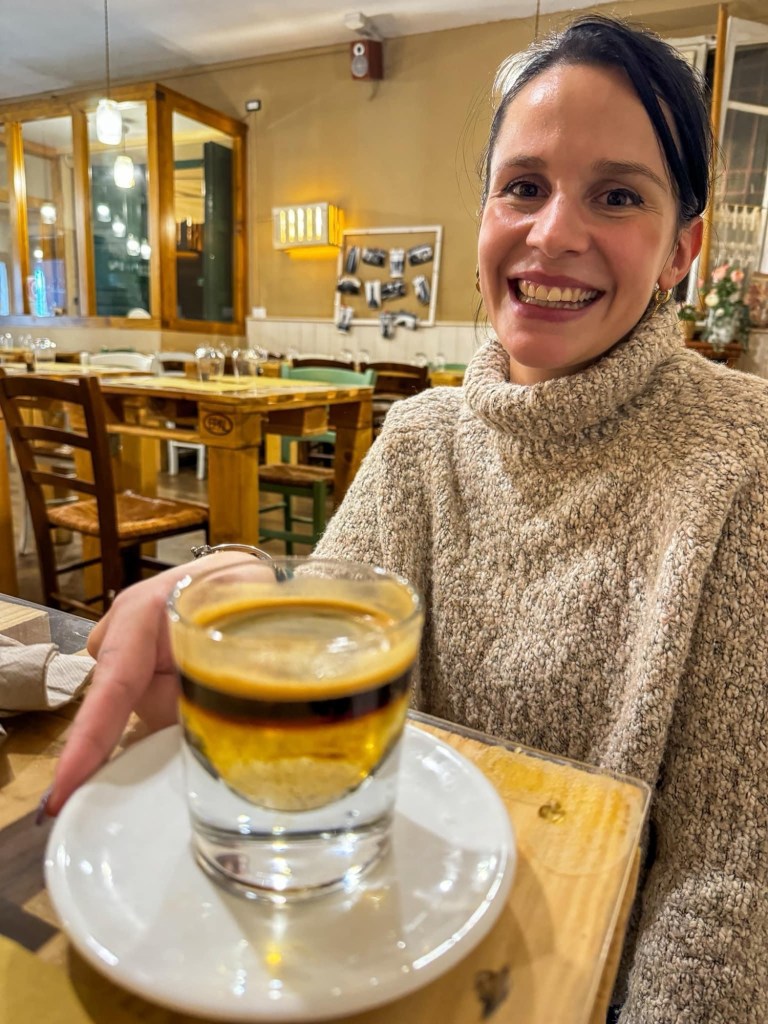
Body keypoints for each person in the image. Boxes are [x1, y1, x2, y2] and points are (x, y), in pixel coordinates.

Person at [46, 15, 767, 1024]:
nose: (553, 233)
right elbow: (330, 658)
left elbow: (730, 876)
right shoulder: (422, 436)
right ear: (483, 216)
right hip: (384, 944)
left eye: (617, 195)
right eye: (523, 187)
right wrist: (253, 584)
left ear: (682, 248)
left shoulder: (743, 454)